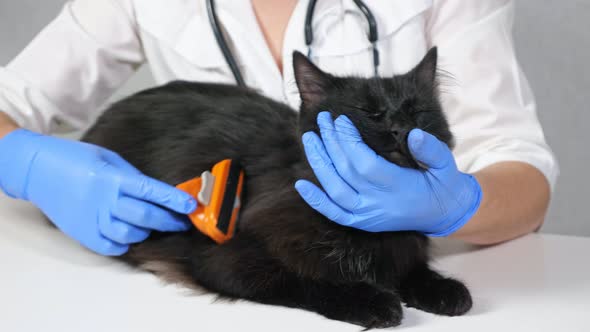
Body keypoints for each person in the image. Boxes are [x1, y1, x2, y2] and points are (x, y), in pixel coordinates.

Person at [0, 0, 557, 255]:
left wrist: (454, 206)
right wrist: (25, 162)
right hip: (223, 269)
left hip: (402, 281)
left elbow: (523, 172)